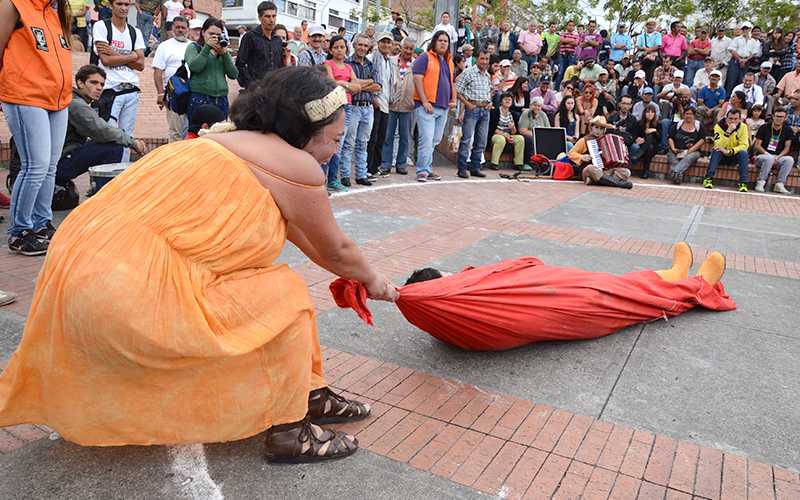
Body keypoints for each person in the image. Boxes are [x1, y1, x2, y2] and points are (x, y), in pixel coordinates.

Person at [0, 66, 399, 462]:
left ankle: (306, 391)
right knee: (287, 293)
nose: (335, 151)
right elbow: (336, 249)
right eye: (335, 139)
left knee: (272, 290)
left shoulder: (223, 140)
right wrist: (377, 283)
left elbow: (305, 235)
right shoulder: (297, 167)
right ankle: (290, 431)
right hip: (129, 289)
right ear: (304, 128)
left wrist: (353, 274)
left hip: (71, 275)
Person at [357, 242, 733, 351]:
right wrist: (395, 294)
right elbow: (436, 296)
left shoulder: (464, 297)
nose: (456, 276)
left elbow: (521, 266)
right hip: (568, 304)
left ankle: (671, 275)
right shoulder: (457, 303)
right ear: (442, 288)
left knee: (617, 283)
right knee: (621, 296)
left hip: (555, 288)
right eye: (448, 278)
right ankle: (695, 285)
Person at [1, 0, 73, 255]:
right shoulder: (13, 5)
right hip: (25, 96)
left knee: (50, 168)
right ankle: (20, 232)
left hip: (58, 99)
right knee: (35, 167)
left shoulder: (54, 13)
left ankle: (42, 224)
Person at [57, 64, 147, 189]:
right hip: (58, 165)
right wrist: (132, 142)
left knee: (111, 142)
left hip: (60, 159)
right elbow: (102, 130)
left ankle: (100, 189)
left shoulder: (76, 100)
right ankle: (104, 194)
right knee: (114, 147)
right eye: (93, 83)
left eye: (102, 84)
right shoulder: (76, 104)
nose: (99, 88)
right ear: (80, 83)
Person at [93, 0, 145, 159]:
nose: (123, 8)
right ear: (111, 5)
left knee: (127, 136)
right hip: (110, 89)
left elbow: (141, 64)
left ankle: (121, 174)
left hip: (132, 89)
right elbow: (106, 61)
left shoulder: (135, 31)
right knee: (109, 134)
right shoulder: (102, 26)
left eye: (126, 4)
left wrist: (113, 52)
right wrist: (132, 56)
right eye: (119, 4)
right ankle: (105, 175)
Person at [412, 31, 456, 183]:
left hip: (443, 107)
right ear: (434, 42)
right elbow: (417, 78)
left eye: (446, 41)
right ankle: (422, 171)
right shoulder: (425, 57)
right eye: (440, 40)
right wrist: (424, 101)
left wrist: (453, 99)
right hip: (427, 107)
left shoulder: (449, 60)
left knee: (435, 140)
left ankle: (427, 168)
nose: (443, 43)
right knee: (427, 139)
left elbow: (452, 82)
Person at [338, 35, 380, 187]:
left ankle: (361, 174)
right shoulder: (347, 63)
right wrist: (365, 83)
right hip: (353, 106)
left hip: (367, 107)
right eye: (359, 45)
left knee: (363, 143)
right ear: (354, 45)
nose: (362, 48)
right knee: (348, 143)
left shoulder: (370, 64)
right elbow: (347, 85)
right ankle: (345, 175)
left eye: (365, 45)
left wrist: (357, 85)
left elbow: (377, 86)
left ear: (368, 47)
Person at [323, 35, 361, 193]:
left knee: (340, 144)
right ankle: (322, 180)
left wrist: (343, 84)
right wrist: (347, 84)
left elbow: (357, 86)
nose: (339, 50)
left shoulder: (349, 67)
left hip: (348, 107)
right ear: (331, 49)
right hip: (333, 107)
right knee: (328, 144)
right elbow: (331, 82)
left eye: (342, 47)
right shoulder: (327, 64)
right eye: (336, 47)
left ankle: (333, 179)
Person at [184, 17, 238, 121]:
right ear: (203, 32)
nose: (215, 38)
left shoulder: (222, 50)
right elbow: (195, 67)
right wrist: (207, 48)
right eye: (211, 34)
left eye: (218, 35)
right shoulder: (194, 47)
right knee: (198, 132)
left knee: (219, 134)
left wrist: (225, 54)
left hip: (221, 99)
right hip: (200, 98)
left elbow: (233, 74)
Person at [380, 37, 416, 176]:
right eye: (406, 47)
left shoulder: (416, 64)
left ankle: (401, 164)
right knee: (388, 136)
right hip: (391, 105)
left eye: (410, 49)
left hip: (408, 106)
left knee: (405, 137)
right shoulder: (391, 61)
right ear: (401, 47)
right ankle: (385, 164)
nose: (408, 51)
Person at [455, 49, 492, 178]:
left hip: (485, 110)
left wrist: (489, 102)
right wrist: (467, 103)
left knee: (481, 141)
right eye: (482, 58)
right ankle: (461, 168)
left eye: (487, 59)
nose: (484, 61)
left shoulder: (487, 75)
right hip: (472, 108)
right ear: (477, 59)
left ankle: (475, 168)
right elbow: (457, 90)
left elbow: (488, 92)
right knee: (466, 140)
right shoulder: (468, 72)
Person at [568, 116, 633, 188]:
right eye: (596, 127)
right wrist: (581, 157)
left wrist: (624, 152)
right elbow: (571, 153)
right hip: (590, 170)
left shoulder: (608, 141)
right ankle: (617, 183)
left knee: (626, 172)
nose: (598, 130)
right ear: (591, 127)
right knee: (590, 168)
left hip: (605, 171)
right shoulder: (584, 140)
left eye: (601, 128)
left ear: (604, 130)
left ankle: (595, 181)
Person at [152, 15, 189, 141]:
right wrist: (160, 93)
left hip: (192, 94)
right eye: (177, 27)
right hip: (174, 95)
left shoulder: (193, 46)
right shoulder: (164, 46)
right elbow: (157, 71)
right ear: (172, 28)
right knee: (175, 132)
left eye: (183, 27)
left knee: (191, 132)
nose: (180, 30)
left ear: (187, 30)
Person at [235, 1, 283, 91]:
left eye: (274, 16)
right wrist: (252, 85)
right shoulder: (250, 37)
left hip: (274, 90)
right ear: (260, 18)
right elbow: (240, 64)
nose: (272, 20)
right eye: (267, 16)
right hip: (255, 91)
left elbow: (279, 65)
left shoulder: (278, 40)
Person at [366, 33, 395, 176]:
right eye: (383, 41)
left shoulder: (389, 61)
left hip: (386, 103)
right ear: (378, 43)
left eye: (389, 42)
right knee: (372, 137)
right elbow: (368, 79)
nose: (386, 45)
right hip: (375, 102)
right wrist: (373, 98)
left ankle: (375, 167)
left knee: (381, 137)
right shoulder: (372, 59)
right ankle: (368, 168)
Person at [703, 108, 750, 192]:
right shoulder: (718, 126)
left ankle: (743, 183)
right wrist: (728, 132)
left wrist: (730, 151)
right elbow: (718, 145)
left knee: (744, 153)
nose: (733, 121)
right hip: (721, 155)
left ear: (739, 119)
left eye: (736, 119)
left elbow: (744, 145)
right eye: (730, 118)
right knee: (716, 150)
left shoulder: (743, 127)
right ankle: (708, 179)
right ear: (726, 118)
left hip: (734, 155)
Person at [753, 107, 795, 194]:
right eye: (777, 116)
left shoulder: (788, 130)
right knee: (769, 159)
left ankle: (779, 184)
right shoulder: (764, 127)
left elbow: (787, 148)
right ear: (773, 116)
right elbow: (757, 145)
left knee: (789, 160)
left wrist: (778, 157)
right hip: (763, 156)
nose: (778, 119)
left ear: (785, 118)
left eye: (781, 117)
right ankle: (760, 182)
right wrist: (768, 155)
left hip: (778, 157)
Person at [666, 106, 705, 184]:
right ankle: (677, 176)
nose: (688, 116)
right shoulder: (678, 125)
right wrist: (673, 148)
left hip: (692, 151)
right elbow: (670, 137)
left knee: (689, 158)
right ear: (683, 115)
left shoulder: (698, 125)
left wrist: (689, 151)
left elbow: (702, 140)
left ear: (694, 115)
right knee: (672, 157)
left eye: (691, 114)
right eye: (687, 113)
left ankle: (674, 172)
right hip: (676, 150)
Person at [489, 92, 525, 171]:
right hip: (497, 134)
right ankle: (494, 163)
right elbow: (491, 129)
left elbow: (514, 132)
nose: (508, 101)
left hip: (508, 134)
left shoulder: (513, 114)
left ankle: (518, 163)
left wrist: (512, 128)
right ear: (501, 101)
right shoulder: (495, 112)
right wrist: (504, 135)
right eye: (505, 99)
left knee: (520, 138)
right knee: (500, 139)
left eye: (509, 100)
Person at [726, 22, 761, 96]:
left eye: (747, 28)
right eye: (743, 28)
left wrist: (745, 60)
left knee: (742, 81)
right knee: (731, 81)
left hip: (746, 62)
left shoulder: (753, 41)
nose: (745, 30)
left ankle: (740, 99)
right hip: (735, 61)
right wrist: (740, 59)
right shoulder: (737, 39)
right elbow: (732, 50)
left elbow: (754, 53)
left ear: (749, 30)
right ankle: (727, 99)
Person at [633, 103, 660, 178]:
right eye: (648, 112)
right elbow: (634, 135)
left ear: (655, 114)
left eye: (652, 112)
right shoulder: (639, 123)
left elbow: (659, 139)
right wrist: (637, 139)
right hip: (643, 145)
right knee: (649, 148)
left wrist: (654, 130)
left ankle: (639, 154)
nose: (650, 114)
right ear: (644, 113)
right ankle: (646, 171)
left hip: (655, 147)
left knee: (650, 139)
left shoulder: (658, 124)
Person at [556, 20, 579, 88]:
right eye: (569, 25)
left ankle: (570, 88)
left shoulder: (576, 35)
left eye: (572, 25)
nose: (571, 27)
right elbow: (561, 40)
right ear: (567, 26)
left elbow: (576, 43)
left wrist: (566, 41)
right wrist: (571, 40)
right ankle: (556, 88)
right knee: (560, 72)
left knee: (571, 72)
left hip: (571, 55)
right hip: (562, 55)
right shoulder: (562, 34)